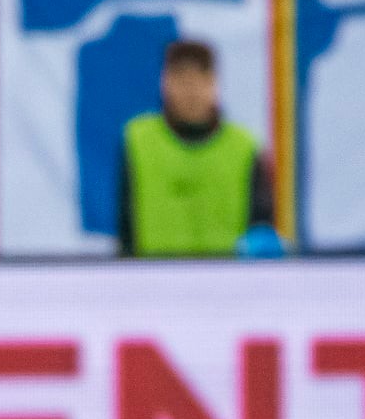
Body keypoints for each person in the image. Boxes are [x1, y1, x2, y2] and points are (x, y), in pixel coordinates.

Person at [117, 39, 280, 259]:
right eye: (181, 79)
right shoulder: (137, 141)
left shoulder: (244, 147)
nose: (191, 90)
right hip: (155, 283)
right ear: (165, 82)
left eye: (199, 78)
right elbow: (126, 227)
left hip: (229, 285)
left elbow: (262, 225)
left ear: (214, 83)